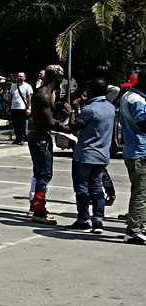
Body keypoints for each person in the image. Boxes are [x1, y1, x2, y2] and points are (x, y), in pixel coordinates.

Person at [63, 78, 113, 234]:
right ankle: (98, 220)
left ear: (93, 91)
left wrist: (72, 111)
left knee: (82, 188)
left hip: (85, 154)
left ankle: (83, 219)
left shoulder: (90, 109)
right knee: (97, 187)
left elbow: (73, 127)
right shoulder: (110, 108)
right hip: (102, 154)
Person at [28, 65, 67, 225]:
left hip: (40, 136)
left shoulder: (47, 93)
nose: (62, 81)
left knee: (40, 173)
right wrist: (67, 127)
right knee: (44, 174)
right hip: (40, 138)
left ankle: (36, 205)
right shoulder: (43, 95)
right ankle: (38, 210)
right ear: (56, 77)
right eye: (61, 78)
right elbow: (48, 121)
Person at [119, 70, 146, 245]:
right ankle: (133, 230)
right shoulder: (137, 100)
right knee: (141, 193)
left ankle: (139, 225)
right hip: (139, 151)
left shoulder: (130, 96)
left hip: (134, 149)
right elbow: (143, 124)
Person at [9, 72, 33, 145]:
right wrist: (8, 106)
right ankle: (17, 138)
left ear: (24, 78)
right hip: (14, 107)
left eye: (21, 76)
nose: (19, 78)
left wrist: (29, 107)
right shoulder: (13, 86)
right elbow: (10, 96)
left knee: (22, 124)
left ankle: (22, 138)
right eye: (18, 76)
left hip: (22, 108)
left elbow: (29, 97)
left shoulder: (27, 86)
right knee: (15, 124)